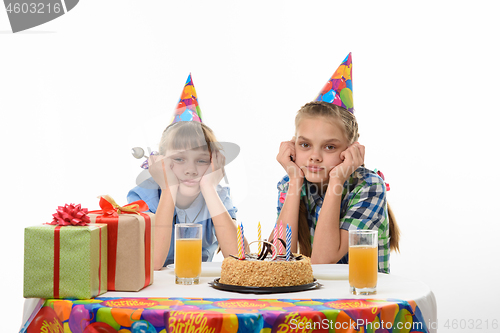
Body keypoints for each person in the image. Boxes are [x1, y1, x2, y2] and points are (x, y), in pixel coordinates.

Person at [275, 54, 399, 273]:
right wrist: (295, 180)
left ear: (351, 150)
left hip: (362, 299)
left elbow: (323, 260)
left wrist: (337, 180)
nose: (314, 157)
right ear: (293, 145)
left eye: (329, 147)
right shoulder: (291, 182)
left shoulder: (368, 187)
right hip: (317, 299)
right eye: (305, 145)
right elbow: (278, 261)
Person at [128, 75, 239, 270]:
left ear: (213, 162)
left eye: (201, 160)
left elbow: (238, 259)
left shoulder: (217, 195)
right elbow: (153, 263)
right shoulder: (144, 196)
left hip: (198, 286)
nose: (190, 170)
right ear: (161, 161)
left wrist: (209, 188)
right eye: (179, 159)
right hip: (155, 289)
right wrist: (168, 188)